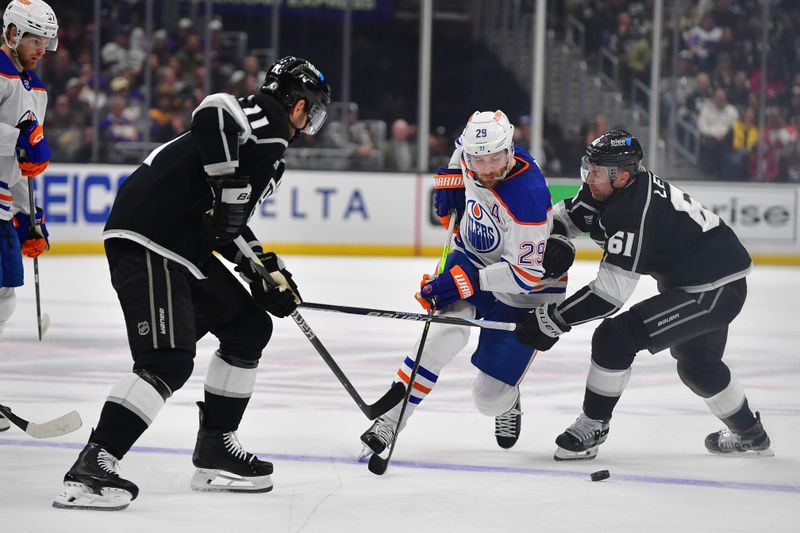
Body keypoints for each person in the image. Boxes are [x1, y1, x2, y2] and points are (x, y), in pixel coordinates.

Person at [53, 56, 331, 511]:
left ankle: (216, 446)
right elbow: (214, 110)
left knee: (248, 327)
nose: (307, 124)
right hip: (151, 237)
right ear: (300, 105)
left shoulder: (266, 150)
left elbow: (226, 226)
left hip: (181, 244)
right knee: (167, 359)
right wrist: (227, 186)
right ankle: (93, 465)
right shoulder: (270, 119)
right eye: (313, 113)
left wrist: (265, 271)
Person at [514, 130, 773, 461]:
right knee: (698, 367)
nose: (589, 177)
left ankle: (594, 424)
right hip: (703, 279)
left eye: (596, 171)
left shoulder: (633, 211)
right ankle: (752, 434)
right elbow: (567, 217)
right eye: (588, 167)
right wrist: (553, 239)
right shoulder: (606, 187)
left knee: (615, 338)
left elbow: (609, 295)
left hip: (715, 290)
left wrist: (554, 319)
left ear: (622, 176)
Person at [359, 111, 575, 458]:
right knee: (444, 335)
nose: (487, 169)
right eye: (478, 160)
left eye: (494, 159)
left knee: (487, 399)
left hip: (526, 291)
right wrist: (449, 178)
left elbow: (525, 275)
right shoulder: (471, 154)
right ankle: (389, 422)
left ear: (510, 150)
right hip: (472, 257)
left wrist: (463, 283)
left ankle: (508, 402)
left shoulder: (527, 196)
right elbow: (460, 153)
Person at [0, 0, 58, 431]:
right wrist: (17, 136)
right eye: (36, 39)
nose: (42, 48)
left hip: (2, 206)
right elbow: (18, 142)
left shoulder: (34, 88)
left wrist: (28, 215)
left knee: (3, 299)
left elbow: (23, 164)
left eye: (47, 41)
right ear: (15, 34)